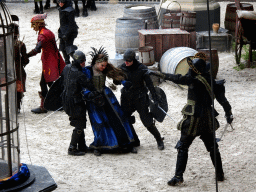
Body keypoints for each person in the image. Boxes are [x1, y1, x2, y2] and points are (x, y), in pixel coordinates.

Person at [160, 57, 233, 186]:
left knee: (183, 147)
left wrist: (159, 74)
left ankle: (178, 176)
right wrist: (228, 114)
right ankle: (220, 174)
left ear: (196, 71)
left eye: (191, 69)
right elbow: (224, 102)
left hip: (194, 120)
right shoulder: (214, 83)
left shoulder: (194, 81)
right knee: (212, 148)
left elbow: (177, 78)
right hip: (208, 119)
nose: (189, 70)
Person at [81, 47, 137, 156]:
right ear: (96, 63)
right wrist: (89, 94)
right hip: (94, 99)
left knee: (118, 117)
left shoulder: (105, 69)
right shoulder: (87, 71)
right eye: (102, 65)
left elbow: (116, 74)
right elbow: (82, 86)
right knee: (99, 122)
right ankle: (99, 146)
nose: (104, 67)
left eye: (105, 65)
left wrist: (124, 82)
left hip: (106, 96)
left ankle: (126, 143)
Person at [115, 49, 164, 151]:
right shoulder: (122, 68)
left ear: (133, 59)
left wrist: (155, 97)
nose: (126, 63)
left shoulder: (142, 68)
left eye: (128, 61)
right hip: (127, 98)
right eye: (125, 60)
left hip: (140, 98)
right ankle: (134, 140)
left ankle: (159, 139)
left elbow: (150, 84)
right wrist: (120, 80)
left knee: (147, 121)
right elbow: (116, 82)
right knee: (126, 120)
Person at [28, 13, 66, 114]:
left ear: (38, 24)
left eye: (34, 25)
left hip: (49, 62)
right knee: (49, 83)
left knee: (44, 82)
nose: (33, 28)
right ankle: (60, 103)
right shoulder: (47, 31)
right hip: (53, 59)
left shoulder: (42, 35)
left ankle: (44, 106)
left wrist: (26, 55)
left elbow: (37, 50)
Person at [60, 50, 95, 156]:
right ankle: (72, 148)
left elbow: (61, 82)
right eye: (81, 62)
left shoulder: (66, 68)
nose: (83, 63)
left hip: (66, 100)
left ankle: (82, 146)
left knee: (80, 123)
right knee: (79, 124)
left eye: (84, 61)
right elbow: (90, 86)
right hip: (75, 102)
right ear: (76, 61)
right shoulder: (80, 74)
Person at [11, 23, 30, 113]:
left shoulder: (2, 44)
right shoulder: (20, 44)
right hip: (18, 68)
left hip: (7, 69)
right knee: (18, 87)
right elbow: (26, 59)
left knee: (9, 86)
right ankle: (17, 105)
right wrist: (23, 60)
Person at [58, 0, 78, 64]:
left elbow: (71, 24)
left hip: (70, 32)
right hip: (63, 31)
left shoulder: (70, 10)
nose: (60, 3)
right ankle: (67, 63)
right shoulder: (61, 9)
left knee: (69, 48)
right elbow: (63, 22)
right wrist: (60, 30)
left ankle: (78, 61)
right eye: (59, 2)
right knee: (62, 47)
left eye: (62, 2)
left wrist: (66, 34)